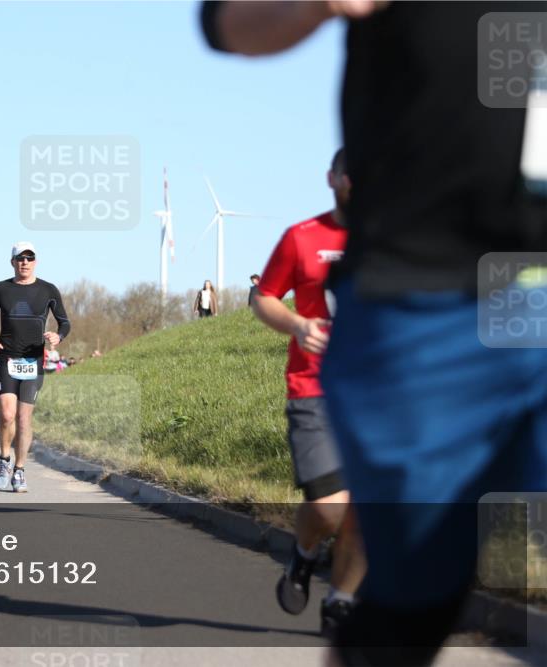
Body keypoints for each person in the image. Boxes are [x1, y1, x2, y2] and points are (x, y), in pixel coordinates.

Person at [202, 2, 547, 664]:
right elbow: (226, 24)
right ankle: (335, 579)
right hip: (432, 307)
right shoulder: (302, 236)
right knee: (410, 604)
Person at [252, 149, 366, 638]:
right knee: (329, 507)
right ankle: (302, 554)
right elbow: (263, 297)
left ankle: (341, 600)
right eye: (352, 173)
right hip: (314, 387)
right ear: (333, 178)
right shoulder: (302, 237)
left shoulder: (398, 239)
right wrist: (298, 325)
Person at [0, 241, 71, 493]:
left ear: (36, 261)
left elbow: (64, 322)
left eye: (29, 258)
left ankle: (20, 470)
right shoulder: (0, 289)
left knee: (23, 419)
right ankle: (4, 461)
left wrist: (58, 336)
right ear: (12, 262)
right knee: (7, 414)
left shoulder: (48, 290)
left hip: (33, 361)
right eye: (20, 258)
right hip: (7, 359)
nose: (25, 262)